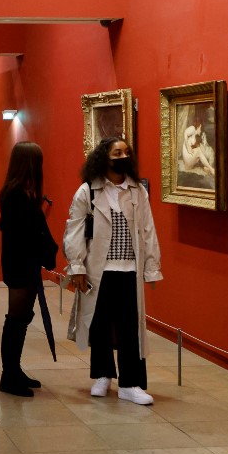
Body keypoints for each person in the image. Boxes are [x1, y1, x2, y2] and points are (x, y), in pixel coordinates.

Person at [63, 137, 162, 405]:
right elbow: (74, 231)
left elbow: (148, 229)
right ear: (103, 157)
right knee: (100, 324)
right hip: (99, 270)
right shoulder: (88, 192)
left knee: (130, 327)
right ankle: (103, 375)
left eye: (126, 152)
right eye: (116, 152)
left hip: (129, 270)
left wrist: (152, 266)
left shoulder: (137, 192)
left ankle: (130, 383)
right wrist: (77, 266)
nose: (122, 156)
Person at [0, 141, 57, 397]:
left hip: (23, 263)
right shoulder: (16, 195)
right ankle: (9, 376)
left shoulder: (21, 192)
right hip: (20, 264)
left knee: (20, 320)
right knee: (16, 320)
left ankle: (14, 370)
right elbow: (23, 233)